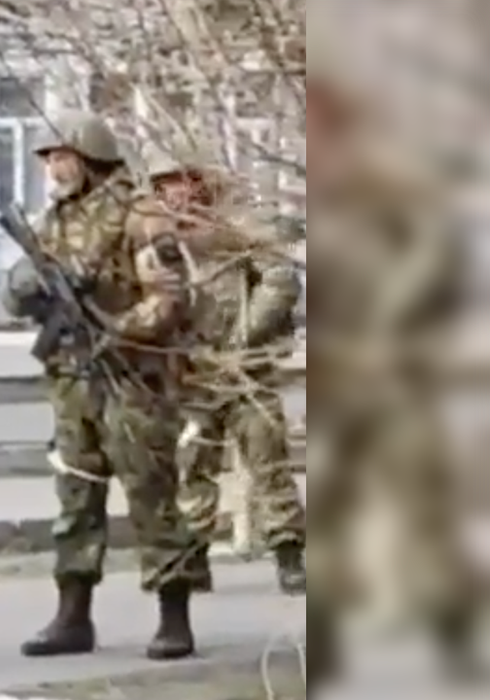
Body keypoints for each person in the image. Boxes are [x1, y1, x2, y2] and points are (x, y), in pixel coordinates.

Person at [3, 112, 209, 661]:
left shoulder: (138, 216)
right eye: (47, 158)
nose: (51, 166)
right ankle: (72, 617)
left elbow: (170, 297)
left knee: (152, 496)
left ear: (89, 156)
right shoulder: (54, 221)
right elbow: (18, 297)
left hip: (132, 380)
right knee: (75, 497)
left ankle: (174, 615)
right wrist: (24, 288)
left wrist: (117, 330)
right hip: (72, 382)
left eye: (59, 155)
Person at [305, 51, 477, 685]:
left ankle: (453, 632)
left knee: (425, 505)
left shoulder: (391, 188)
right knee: (329, 508)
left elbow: (434, 259)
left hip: (399, 374)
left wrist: (389, 330)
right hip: (340, 375)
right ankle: (320, 645)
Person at [138, 145, 307, 596]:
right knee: (192, 462)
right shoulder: (156, 238)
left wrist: (248, 333)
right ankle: (194, 556)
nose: (173, 192)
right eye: (163, 184)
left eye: (180, 180)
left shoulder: (237, 227)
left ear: (199, 180)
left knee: (267, 459)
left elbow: (281, 279)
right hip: (191, 371)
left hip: (244, 369)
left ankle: (289, 550)